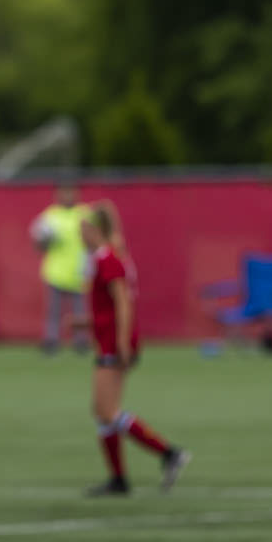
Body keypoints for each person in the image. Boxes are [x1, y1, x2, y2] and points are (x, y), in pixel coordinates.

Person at [80, 202, 192, 496]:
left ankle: (169, 453)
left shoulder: (108, 260)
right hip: (108, 339)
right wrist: (82, 323)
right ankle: (119, 478)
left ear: (96, 230)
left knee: (106, 411)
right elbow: (108, 306)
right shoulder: (105, 258)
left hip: (113, 343)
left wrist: (121, 342)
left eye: (84, 230)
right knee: (104, 413)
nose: (81, 237)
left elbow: (123, 303)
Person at [31, 182, 90, 355]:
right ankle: (51, 341)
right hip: (56, 271)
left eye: (70, 192)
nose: (67, 196)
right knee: (53, 312)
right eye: (64, 193)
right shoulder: (50, 217)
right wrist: (44, 239)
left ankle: (81, 342)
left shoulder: (84, 214)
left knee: (80, 312)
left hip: (78, 272)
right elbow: (38, 243)